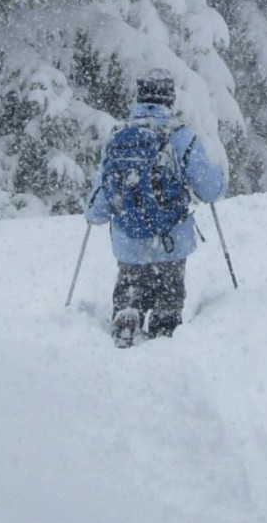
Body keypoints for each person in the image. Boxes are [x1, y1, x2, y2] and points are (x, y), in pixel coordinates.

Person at [84, 75, 227, 347]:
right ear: (169, 99)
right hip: (170, 242)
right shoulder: (182, 136)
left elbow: (99, 204)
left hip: (128, 241)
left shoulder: (118, 137)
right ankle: (164, 327)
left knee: (130, 285)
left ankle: (127, 313)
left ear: (139, 98)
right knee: (168, 298)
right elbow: (210, 190)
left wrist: (93, 216)